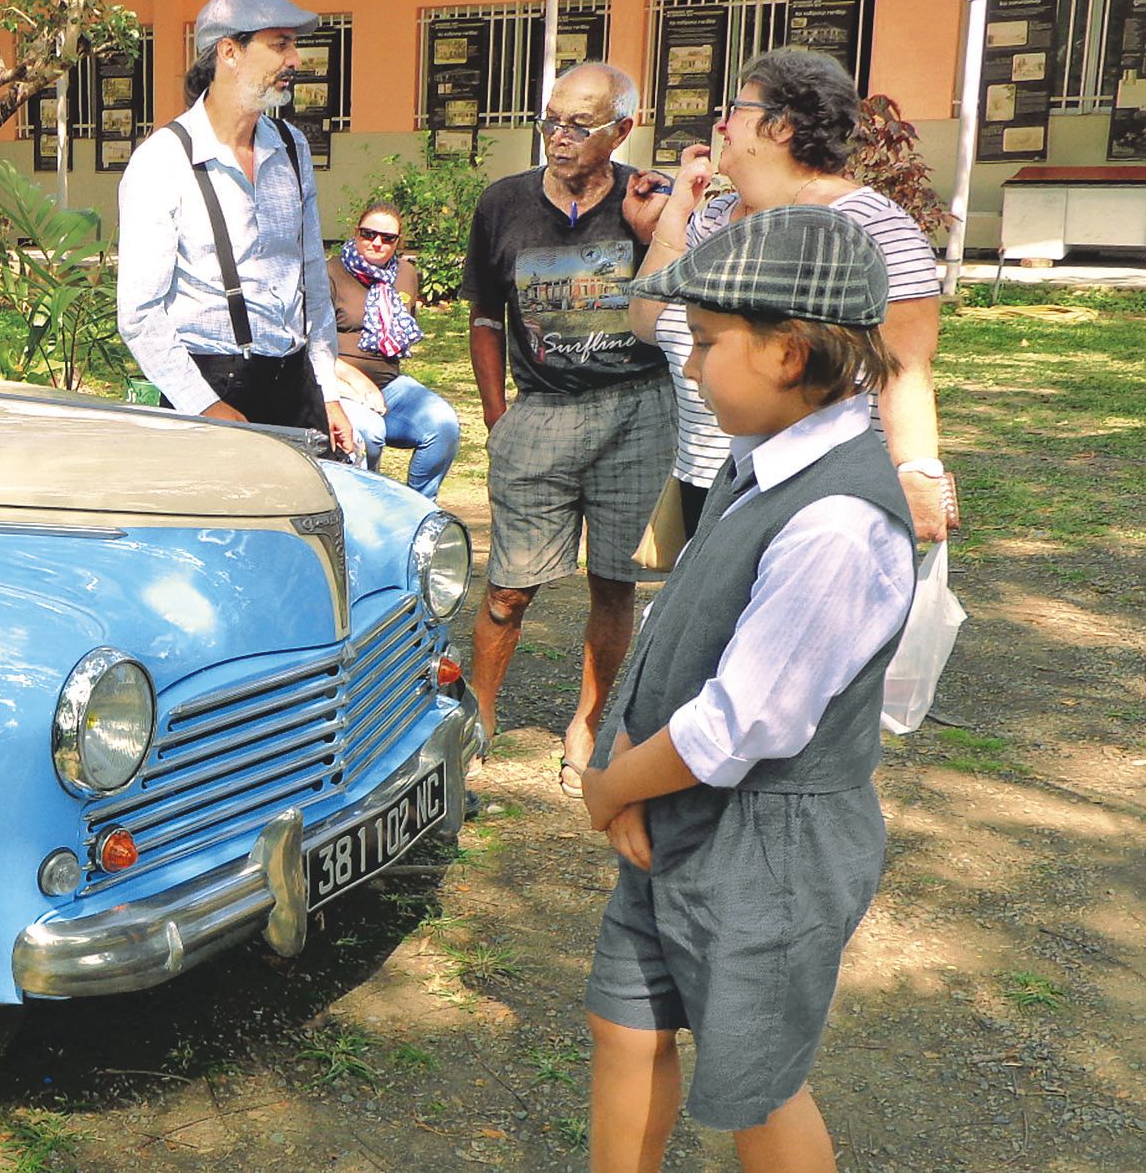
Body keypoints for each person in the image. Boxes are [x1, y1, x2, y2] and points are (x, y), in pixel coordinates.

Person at [580, 205, 915, 1171]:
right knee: (628, 1026)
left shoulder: (837, 523)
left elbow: (743, 719)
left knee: (754, 1085)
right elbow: (682, 626)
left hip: (769, 849)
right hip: (669, 804)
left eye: (710, 344)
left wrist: (613, 787)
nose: (691, 367)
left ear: (788, 352)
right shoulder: (757, 464)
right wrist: (631, 777)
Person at [631, 47, 955, 541]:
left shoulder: (870, 226)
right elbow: (647, 325)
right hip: (707, 477)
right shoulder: (716, 218)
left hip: (807, 490)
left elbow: (905, 367)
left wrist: (917, 474)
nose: (721, 126)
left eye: (737, 110)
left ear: (781, 126)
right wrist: (677, 211)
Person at [460, 62, 673, 798]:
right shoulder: (504, 204)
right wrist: (498, 415)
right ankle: (476, 716)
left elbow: (687, 299)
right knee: (507, 590)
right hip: (539, 413)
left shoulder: (652, 202)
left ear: (623, 129)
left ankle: (586, 723)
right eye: (551, 120)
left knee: (615, 583)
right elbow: (485, 317)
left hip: (638, 410)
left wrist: (655, 232)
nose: (559, 138)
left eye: (580, 125)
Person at [117, 0, 357, 456]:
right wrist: (203, 405)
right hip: (210, 384)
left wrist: (327, 390)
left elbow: (311, 279)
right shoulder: (163, 160)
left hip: (295, 381)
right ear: (230, 51)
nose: (296, 58)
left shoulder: (291, 147)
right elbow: (140, 313)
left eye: (294, 44)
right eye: (281, 43)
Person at [329, 202, 461, 496]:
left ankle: (419, 511)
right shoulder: (330, 273)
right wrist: (357, 383)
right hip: (338, 386)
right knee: (370, 432)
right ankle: (368, 511)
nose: (377, 242)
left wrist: (374, 387)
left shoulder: (405, 274)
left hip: (389, 385)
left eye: (387, 238)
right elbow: (314, 348)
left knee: (443, 425)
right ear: (356, 233)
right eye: (368, 234)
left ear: (398, 242)